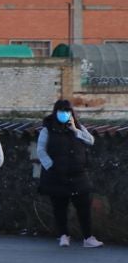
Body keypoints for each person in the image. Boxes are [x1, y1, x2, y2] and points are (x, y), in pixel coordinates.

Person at [37, 100, 102, 248]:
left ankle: (88, 238)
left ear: (71, 113)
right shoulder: (47, 129)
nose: (64, 114)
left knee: (84, 208)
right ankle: (63, 236)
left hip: (78, 175)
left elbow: (91, 141)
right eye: (61, 111)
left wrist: (75, 130)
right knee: (60, 207)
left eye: (67, 111)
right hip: (56, 175)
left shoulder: (78, 126)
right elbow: (41, 150)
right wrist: (51, 166)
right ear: (55, 112)